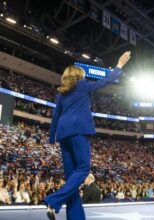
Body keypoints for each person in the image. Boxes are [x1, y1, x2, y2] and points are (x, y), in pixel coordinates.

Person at [44, 51, 131, 220]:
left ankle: (75, 218)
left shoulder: (61, 93)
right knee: (83, 170)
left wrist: (52, 138)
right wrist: (119, 65)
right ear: (78, 76)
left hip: (63, 133)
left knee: (72, 180)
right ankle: (53, 200)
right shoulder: (82, 84)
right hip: (78, 130)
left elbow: (55, 115)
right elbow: (104, 81)